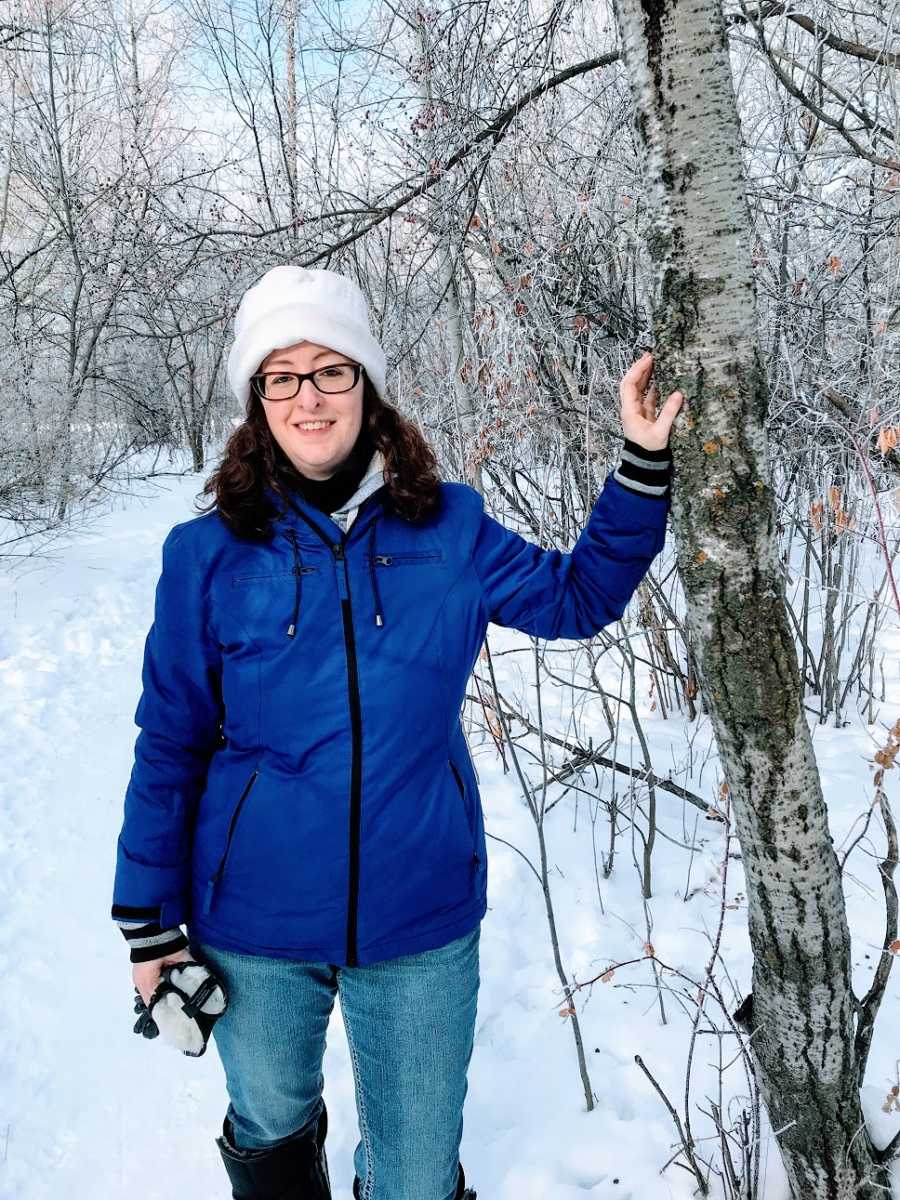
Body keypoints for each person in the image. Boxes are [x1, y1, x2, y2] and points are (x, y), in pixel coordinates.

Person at [110, 264, 683, 1200]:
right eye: (282, 374)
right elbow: (169, 742)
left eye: (330, 369)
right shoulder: (205, 555)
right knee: (269, 1126)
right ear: (257, 401)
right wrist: (148, 928)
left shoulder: (450, 528)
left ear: (366, 387)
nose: (308, 395)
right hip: (251, 919)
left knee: (415, 1176)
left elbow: (577, 599)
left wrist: (640, 467)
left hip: (417, 912)